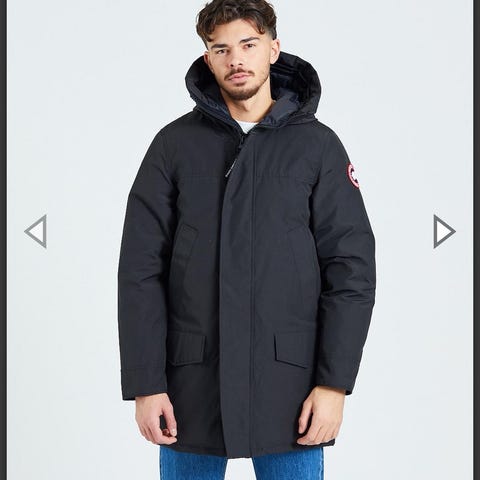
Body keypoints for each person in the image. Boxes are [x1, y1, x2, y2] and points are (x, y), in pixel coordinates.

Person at [117, 0, 376, 478]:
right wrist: (146, 384)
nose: (236, 59)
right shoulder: (173, 146)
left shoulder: (317, 146)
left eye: (248, 44)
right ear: (208, 58)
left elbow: (351, 272)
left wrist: (334, 385)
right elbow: (140, 271)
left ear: (273, 49)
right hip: (190, 385)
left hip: (292, 385)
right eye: (221, 49)